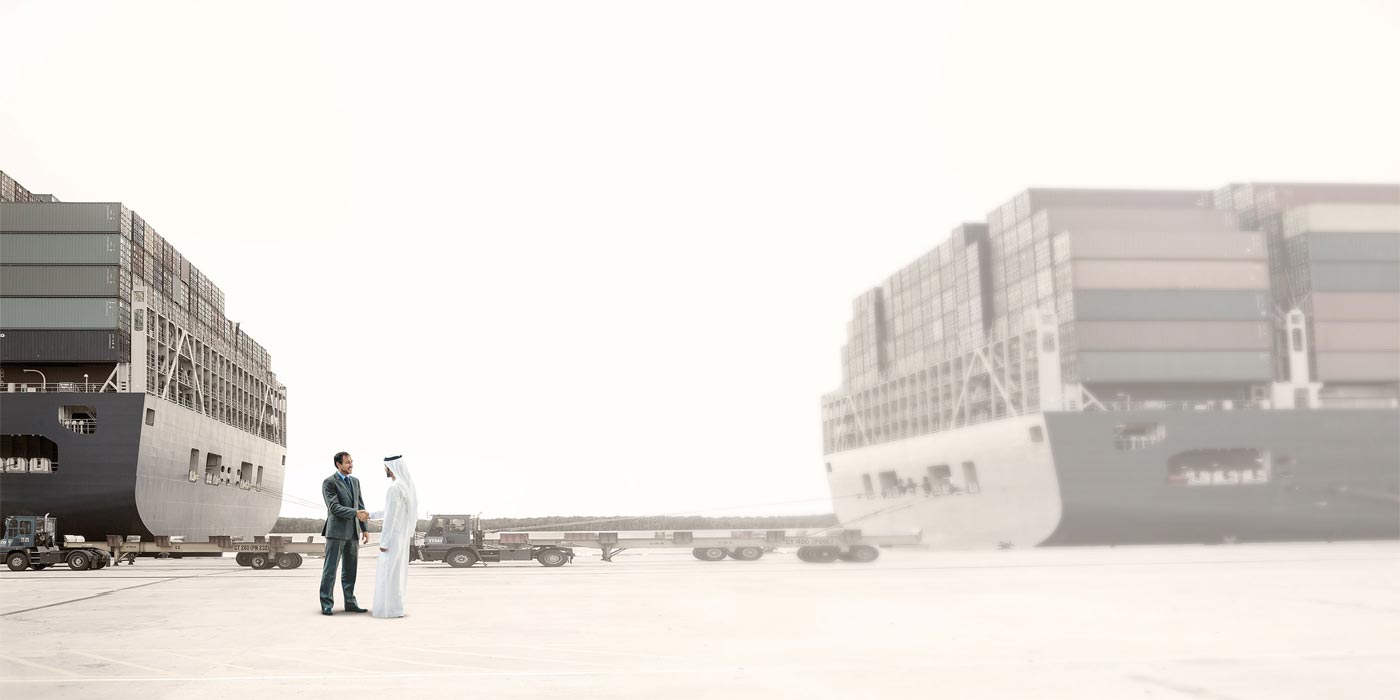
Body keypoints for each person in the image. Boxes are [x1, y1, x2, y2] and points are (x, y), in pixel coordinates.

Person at [320, 451, 370, 615]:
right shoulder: (329, 482)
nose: (351, 465)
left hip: (353, 532)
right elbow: (334, 507)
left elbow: (360, 506)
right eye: (347, 462)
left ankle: (350, 603)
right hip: (336, 532)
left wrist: (364, 528)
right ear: (338, 464)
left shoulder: (355, 482)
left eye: (352, 462)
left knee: (350, 570)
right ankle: (327, 604)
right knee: (330, 571)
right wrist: (355, 513)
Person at [373, 455, 418, 618]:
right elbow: (388, 511)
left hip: (392, 539)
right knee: (397, 575)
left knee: (388, 574)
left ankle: (387, 610)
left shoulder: (394, 488)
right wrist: (369, 515)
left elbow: (390, 518)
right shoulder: (404, 487)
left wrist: (384, 541)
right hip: (401, 538)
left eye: (385, 466)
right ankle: (396, 608)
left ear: (390, 467)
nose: (384, 469)